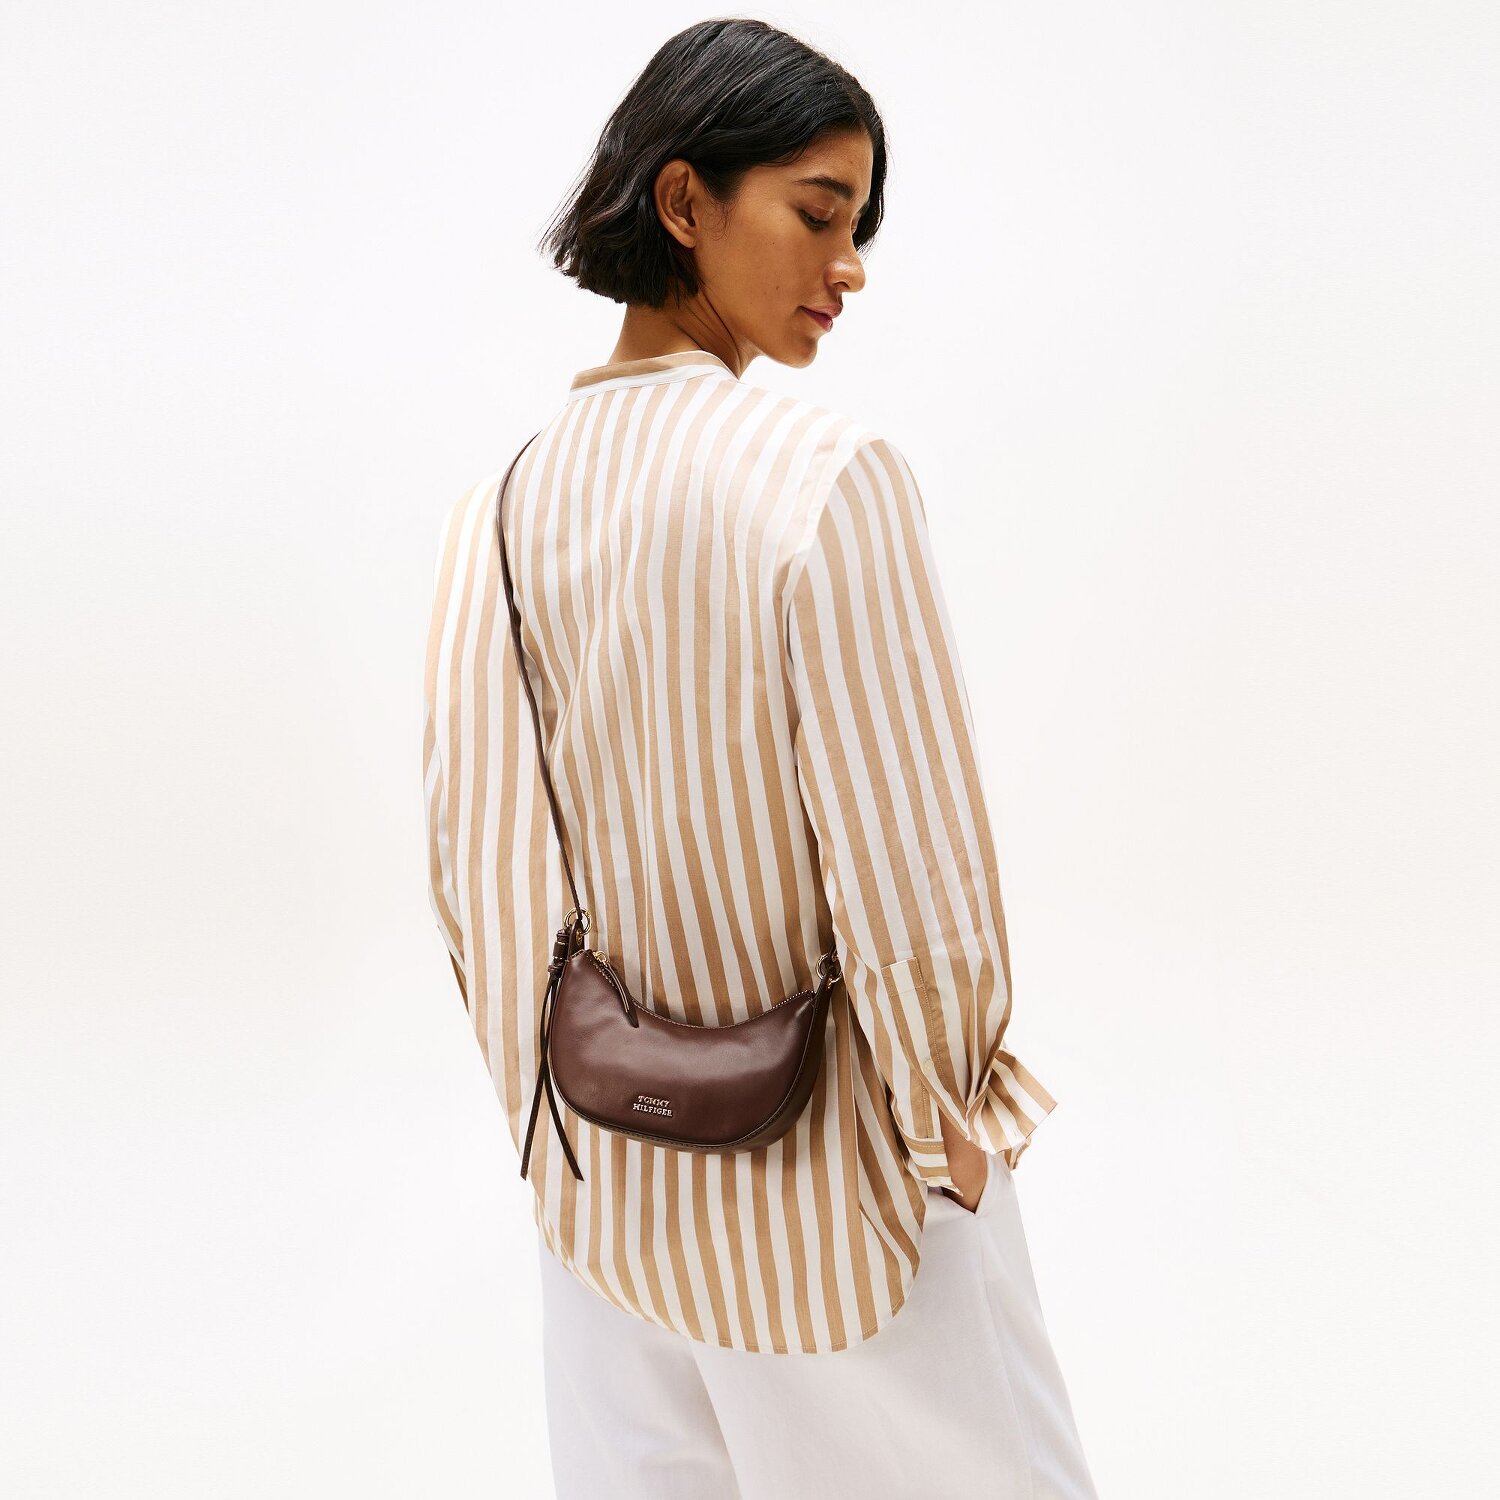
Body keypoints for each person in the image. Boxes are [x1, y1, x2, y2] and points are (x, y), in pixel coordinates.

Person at [422, 18, 1099, 1499]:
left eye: (858, 229)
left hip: (605, 1192)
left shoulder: (502, 506)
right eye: (818, 211)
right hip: (849, 1185)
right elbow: (909, 851)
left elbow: (479, 857)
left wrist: (551, 1123)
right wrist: (954, 1115)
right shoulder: (822, 478)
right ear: (684, 199)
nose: (848, 266)